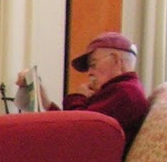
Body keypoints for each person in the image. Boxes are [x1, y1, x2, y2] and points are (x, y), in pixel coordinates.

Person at [17, 31, 149, 154]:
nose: (90, 73)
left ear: (116, 60)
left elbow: (78, 130)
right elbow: (69, 127)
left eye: (93, 64)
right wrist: (46, 102)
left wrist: (79, 97)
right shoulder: (121, 89)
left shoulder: (124, 92)